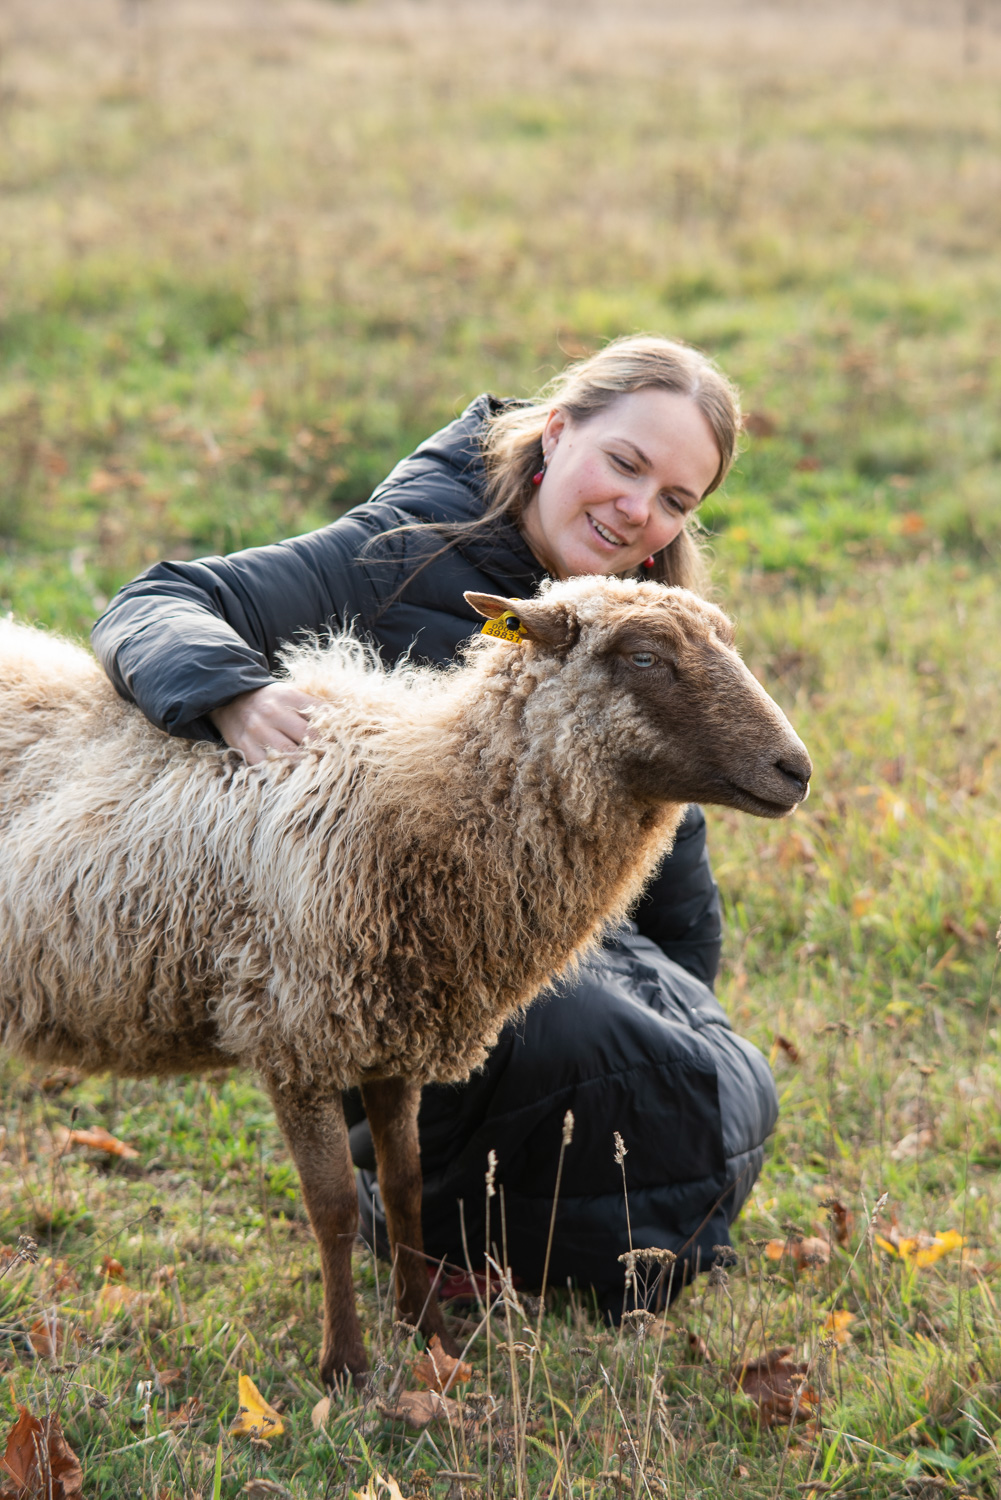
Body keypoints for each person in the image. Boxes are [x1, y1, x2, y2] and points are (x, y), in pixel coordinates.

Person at [92, 335, 778, 1315]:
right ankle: (433, 1226)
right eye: (625, 464)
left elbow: (672, 877)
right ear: (557, 431)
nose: (639, 510)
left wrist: (685, 1026)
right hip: (374, 956)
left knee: (688, 1064)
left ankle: (598, 1223)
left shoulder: (648, 621)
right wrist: (232, 697)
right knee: (568, 1038)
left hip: (543, 948)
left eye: (675, 500)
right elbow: (157, 600)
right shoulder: (397, 557)